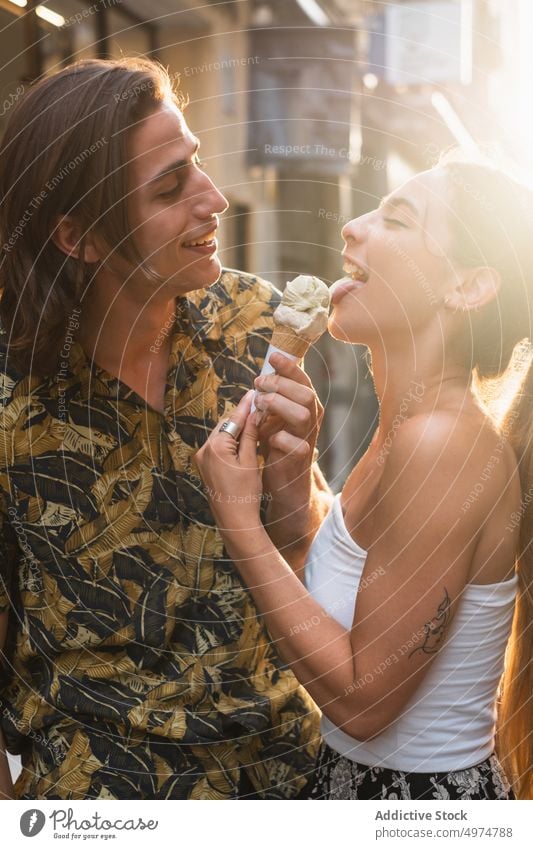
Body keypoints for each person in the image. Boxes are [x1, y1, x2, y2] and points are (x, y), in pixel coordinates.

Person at [0, 57, 328, 799]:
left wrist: (292, 485)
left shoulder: (254, 324)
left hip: (287, 777)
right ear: (77, 237)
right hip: (105, 794)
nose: (213, 199)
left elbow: (305, 559)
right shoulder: (11, 396)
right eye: (169, 189)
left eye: (198, 165)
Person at [196, 158, 533, 800]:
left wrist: (239, 522)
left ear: (467, 288)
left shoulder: (442, 442)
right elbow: (349, 615)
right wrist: (297, 491)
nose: (351, 227)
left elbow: (364, 702)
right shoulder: (406, 429)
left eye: (397, 220)